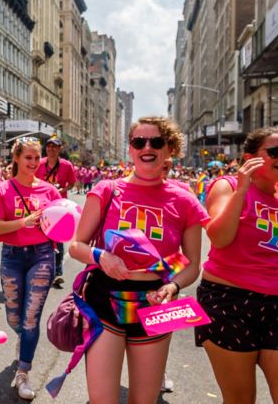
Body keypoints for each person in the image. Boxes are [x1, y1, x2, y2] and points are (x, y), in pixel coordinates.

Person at [68, 116, 208, 403]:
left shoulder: (184, 199)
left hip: (155, 302)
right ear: (130, 149)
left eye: (156, 141)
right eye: (138, 141)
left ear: (169, 148)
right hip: (104, 299)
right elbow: (76, 245)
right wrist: (101, 255)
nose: (147, 147)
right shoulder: (107, 190)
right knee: (102, 399)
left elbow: (192, 263)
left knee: (144, 400)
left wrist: (173, 287)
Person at [196, 127, 278, 403]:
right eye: (276, 152)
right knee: (241, 399)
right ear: (250, 158)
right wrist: (243, 188)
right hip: (229, 303)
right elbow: (219, 238)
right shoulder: (228, 186)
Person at [0, 137, 61, 399]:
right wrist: (23, 222)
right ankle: (24, 338)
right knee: (14, 318)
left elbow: (62, 222)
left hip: (42, 255)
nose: (32, 163)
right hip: (12, 257)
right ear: (16, 158)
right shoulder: (3, 189)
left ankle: (24, 371)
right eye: (27, 157)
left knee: (31, 318)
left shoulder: (50, 191)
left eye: (36, 158)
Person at [36, 137, 76, 288]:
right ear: (46, 148)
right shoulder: (39, 163)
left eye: (55, 147)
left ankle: (58, 273)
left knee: (57, 239)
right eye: (49, 146)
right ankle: (41, 270)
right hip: (40, 205)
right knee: (40, 238)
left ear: (60, 149)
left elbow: (72, 183)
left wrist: (62, 190)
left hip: (59, 208)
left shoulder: (66, 165)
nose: (52, 149)